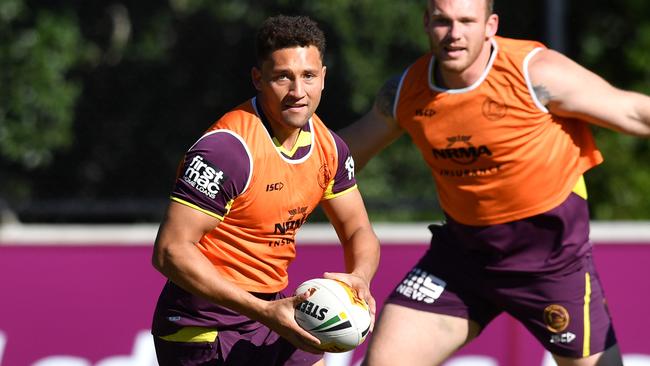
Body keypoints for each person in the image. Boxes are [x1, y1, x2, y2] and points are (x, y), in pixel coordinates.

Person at [338, 0, 650, 365]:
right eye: (443, 21)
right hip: (462, 261)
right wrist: (268, 157)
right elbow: (339, 157)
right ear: (426, 22)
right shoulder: (406, 91)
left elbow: (634, 113)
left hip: (552, 265)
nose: (454, 34)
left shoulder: (535, 74)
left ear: (490, 26)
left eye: (467, 21)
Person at [150, 15, 380, 366]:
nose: (297, 92)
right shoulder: (227, 151)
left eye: (308, 76)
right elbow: (169, 252)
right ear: (258, 78)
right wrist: (264, 311)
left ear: (324, 78)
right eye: (282, 77)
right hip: (203, 325)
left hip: (272, 312)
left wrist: (360, 277)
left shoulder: (330, 148)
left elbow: (358, 229)